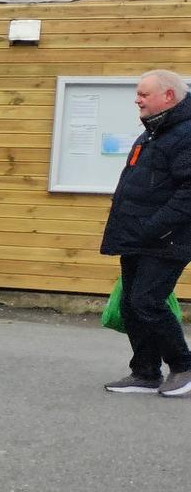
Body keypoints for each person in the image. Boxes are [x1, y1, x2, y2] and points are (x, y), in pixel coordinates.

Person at [98, 69, 191, 395]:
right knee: (131, 304)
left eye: (143, 94)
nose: (137, 100)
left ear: (168, 96)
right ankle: (145, 372)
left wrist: (153, 227)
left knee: (147, 302)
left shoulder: (186, 133)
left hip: (167, 239)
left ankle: (184, 367)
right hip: (138, 236)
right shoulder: (153, 132)